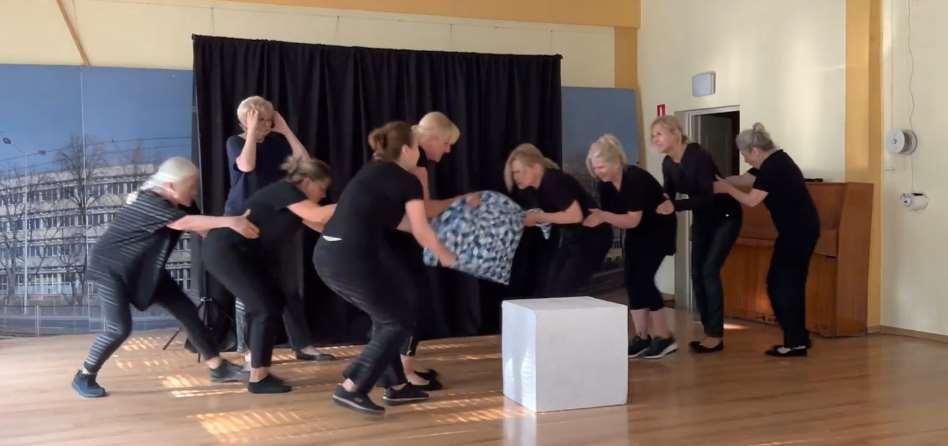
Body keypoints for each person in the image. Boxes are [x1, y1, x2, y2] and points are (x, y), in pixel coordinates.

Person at [72, 157, 256, 399]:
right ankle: (84, 375)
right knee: (118, 328)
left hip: (147, 270)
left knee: (188, 312)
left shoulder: (182, 203)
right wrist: (231, 221)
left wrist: (237, 237)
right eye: (190, 186)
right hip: (110, 268)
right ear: (170, 186)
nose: (194, 191)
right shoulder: (149, 201)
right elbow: (184, 223)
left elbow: (202, 228)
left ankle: (218, 367)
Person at [313, 121, 457, 415]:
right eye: (416, 147)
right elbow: (420, 229)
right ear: (406, 150)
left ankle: (397, 386)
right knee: (397, 322)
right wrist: (446, 255)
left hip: (332, 254)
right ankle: (352, 387)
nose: (419, 153)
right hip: (348, 258)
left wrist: (441, 237)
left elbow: (402, 223)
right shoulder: (406, 180)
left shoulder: (374, 171)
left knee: (389, 317)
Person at [203, 156, 336, 393]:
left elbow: (322, 226)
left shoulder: (295, 202)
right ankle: (258, 378)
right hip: (227, 250)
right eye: (322, 188)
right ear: (307, 181)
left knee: (271, 303)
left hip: (238, 254)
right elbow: (319, 215)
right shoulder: (287, 191)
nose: (324, 194)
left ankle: (257, 369)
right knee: (264, 308)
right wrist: (358, 200)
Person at [224, 95, 330, 362]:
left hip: (276, 217)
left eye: (267, 120)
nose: (264, 125)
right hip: (243, 219)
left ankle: (303, 346)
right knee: (248, 289)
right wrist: (251, 132)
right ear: (244, 121)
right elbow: (247, 165)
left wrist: (285, 130)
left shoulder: (276, 143)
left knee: (288, 286)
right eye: (258, 120)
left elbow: (305, 163)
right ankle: (248, 350)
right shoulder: (235, 142)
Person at [714, 123, 819, 357]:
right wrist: (718, 182)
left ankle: (795, 342)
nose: (745, 160)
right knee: (787, 284)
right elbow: (744, 179)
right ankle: (798, 338)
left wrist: (725, 189)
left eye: (745, 155)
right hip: (797, 231)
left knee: (781, 285)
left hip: (798, 232)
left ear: (755, 150)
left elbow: (751, 200)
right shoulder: (773, 161)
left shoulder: (774, 167)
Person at [395, 111, 476, 390]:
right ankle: (403, 373)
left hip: (401, 244)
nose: (448, 150)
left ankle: (402, 368)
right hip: (395, 245)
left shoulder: (413, 164)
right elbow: (425, 210)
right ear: (431, 137)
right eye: (446, 143)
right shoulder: (412, 166)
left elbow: (425, 210)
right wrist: (460, 201)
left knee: (408, 306)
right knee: (409, 306)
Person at [652, 115, 742, 354]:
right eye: (653, 136)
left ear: (676, 133)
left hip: (726, 217)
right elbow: (668, 194)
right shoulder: (668, 163)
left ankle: (715, 336)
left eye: (659, 134)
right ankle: (709, 329)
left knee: (709, 270)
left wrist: (674, 206)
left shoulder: (698, 156)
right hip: (703, 218)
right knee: (696, 273)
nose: (654, 139)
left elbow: (707, 196)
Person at [585, 134, 678, 359]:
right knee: (631, 280)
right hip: (637, 232)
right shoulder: (605, 184)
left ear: (616, 162)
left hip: (658, 229)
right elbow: (617, 217)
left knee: (644, 279)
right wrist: (601, 218)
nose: (598, 172)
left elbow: (631, 219)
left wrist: (603, 216)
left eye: (601, 167)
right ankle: (641, 336)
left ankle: (664, 337)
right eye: (594, 168)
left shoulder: (635, 178)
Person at [505, 143, 612, 297]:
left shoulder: (553, 181)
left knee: (561, 291)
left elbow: (575, 216)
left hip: (593, 237)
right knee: (550, 289)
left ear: (536, 167)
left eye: (518, 172)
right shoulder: (537, 189)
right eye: (513, 173)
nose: (515, 177)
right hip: (575, 238)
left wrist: (539, 217)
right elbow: (556, 214)